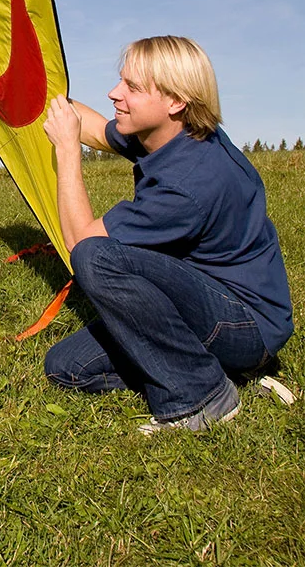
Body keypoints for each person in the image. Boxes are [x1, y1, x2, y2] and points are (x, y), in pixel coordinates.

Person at [42, 35, 293, 433]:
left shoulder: (189, 183)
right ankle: (203, 368)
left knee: (97, 257)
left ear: (176, 102)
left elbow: (80, 244)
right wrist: (44, 95)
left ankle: (202, 396)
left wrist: (67, 150)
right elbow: (93, 127)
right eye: (120, 81)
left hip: (245, 325)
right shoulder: (171, 133)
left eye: (132, 88)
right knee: (67, 368)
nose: (114, 93)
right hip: (200, 300)